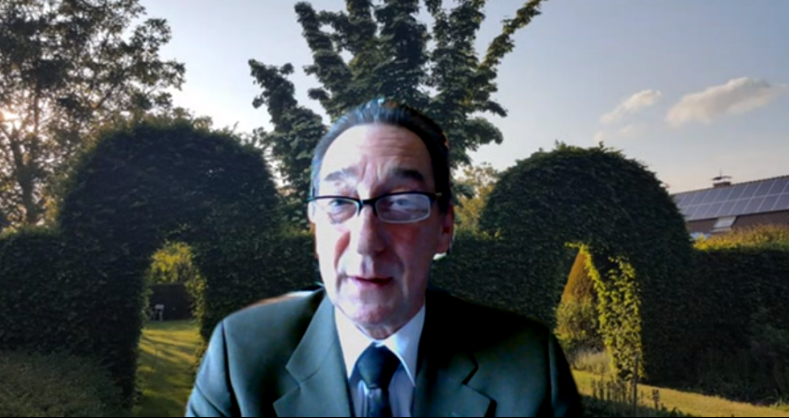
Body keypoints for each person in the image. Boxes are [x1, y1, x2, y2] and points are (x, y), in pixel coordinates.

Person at [186, 100, 581, 417]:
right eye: (339, 202)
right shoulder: (239, 355)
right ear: (314, 225)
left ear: (445, 227)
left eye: (402, 202)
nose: (366, 242)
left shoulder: (530, 366)